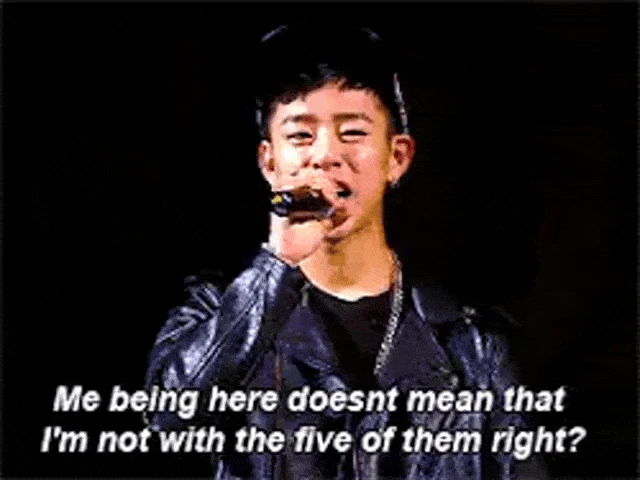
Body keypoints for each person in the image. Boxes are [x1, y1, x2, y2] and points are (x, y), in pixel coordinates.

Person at [144, 23, 546, 479]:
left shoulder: (471, 342)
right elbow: (168, 419)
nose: (325, 155)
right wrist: (277, 265)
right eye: (300, 136)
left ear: (397, 157)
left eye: (352, 132)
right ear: (269, 162)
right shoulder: (219, 311)